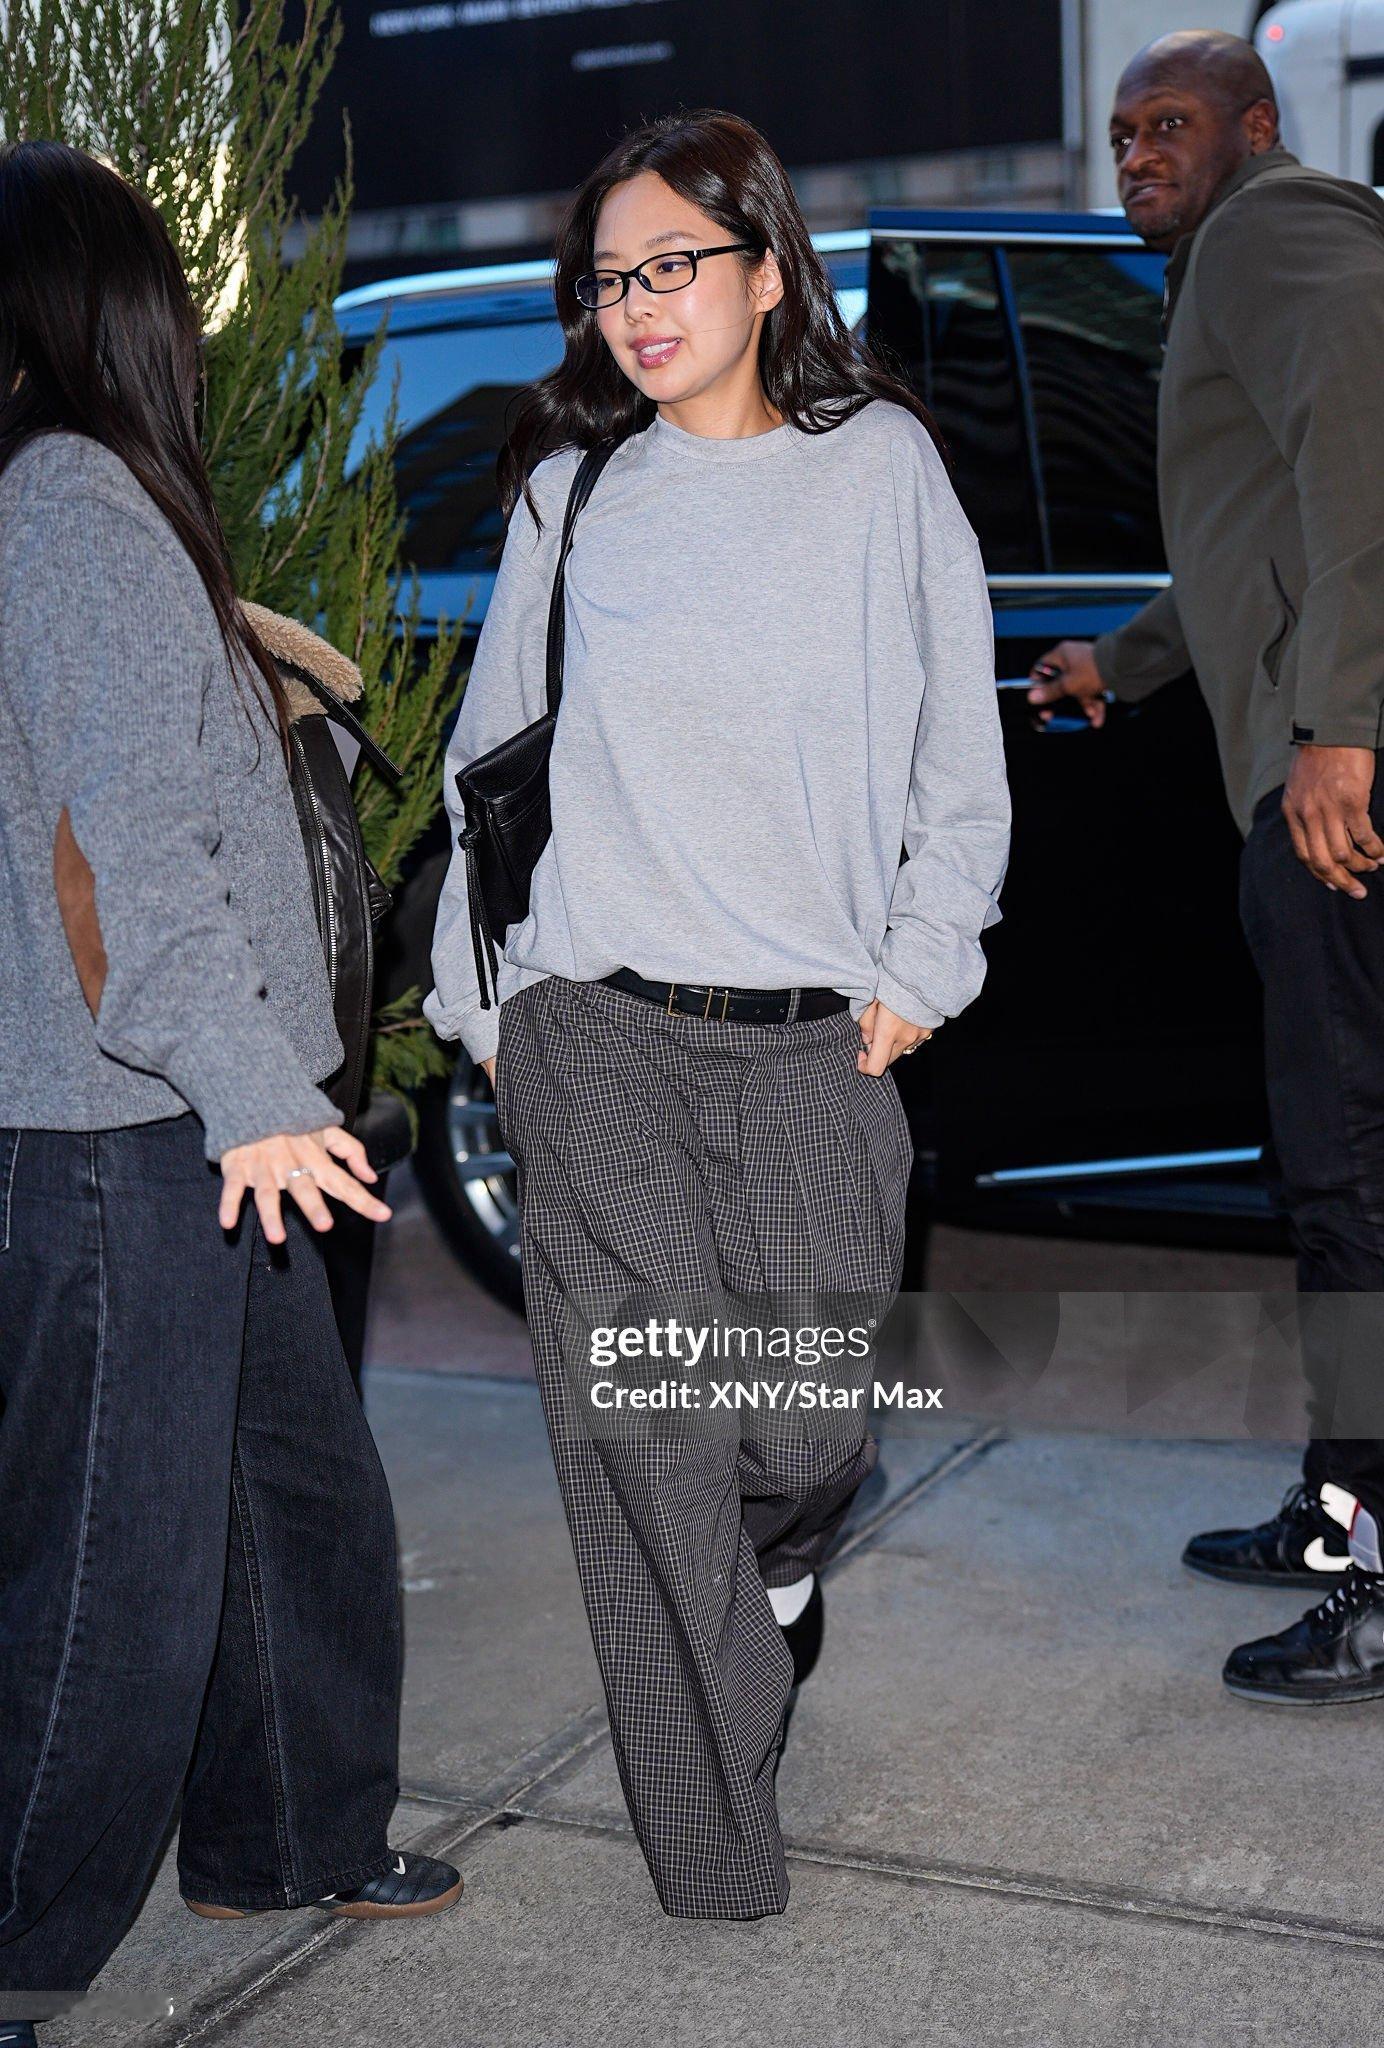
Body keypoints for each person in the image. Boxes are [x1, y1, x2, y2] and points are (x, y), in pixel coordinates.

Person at [425, 108, 1009, 1917]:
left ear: (767, 271)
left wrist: (919, 969)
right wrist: (486, 1006)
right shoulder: (572, 491)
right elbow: (488, 764)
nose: (637, 305)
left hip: (813, 1036)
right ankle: (714, 1853)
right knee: (645, 1446)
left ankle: (779, 1569)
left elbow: (960, 757)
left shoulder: (882, 469)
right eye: (608, 278)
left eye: (673, 263)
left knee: (795, 1433)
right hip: (593, 1026)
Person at [0, 142, 459, 2044]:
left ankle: (283, 1831)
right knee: (114, 1569)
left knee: (294, 1492)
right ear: (117, 311)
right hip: (131, 1124)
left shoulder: (74, 504)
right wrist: (255, 1087)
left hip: (187, 1114)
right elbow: (135, 854)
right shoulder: (71, 503)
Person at [1028, 31, 1384, 1703]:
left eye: (1167, 125)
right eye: (1120, 135)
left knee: (1350, 1182)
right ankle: (1338, 1512)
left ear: (1255, 124)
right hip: (1313, 774)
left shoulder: (1276, 229)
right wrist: (1125, 660)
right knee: (1338, 1174)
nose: (1137, 157)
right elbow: (1263, 534)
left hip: (1341, 801)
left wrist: (1342, 729)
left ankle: (1370, 1576)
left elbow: (1364, 464)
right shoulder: (1231, 259)